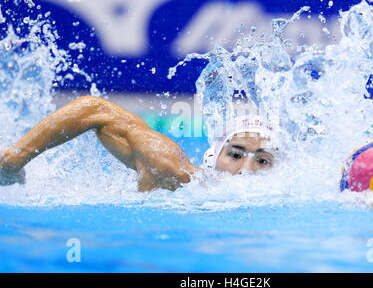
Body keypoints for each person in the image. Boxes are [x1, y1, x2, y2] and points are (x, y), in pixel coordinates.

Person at [0, 96, 276, 191]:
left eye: (262, 160)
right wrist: (17, 156)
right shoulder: (174, 175)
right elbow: (93, 109)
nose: (246, 170)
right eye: (235, 155)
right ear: (211, 157)